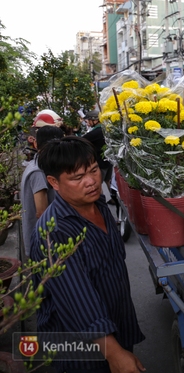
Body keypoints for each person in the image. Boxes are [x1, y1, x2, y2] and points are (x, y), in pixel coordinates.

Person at [30, 137, 145, 373]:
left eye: (93, 171)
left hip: (116, 325)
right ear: (54, 182)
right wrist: (113, 352)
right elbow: (77, 300)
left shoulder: (99, 205)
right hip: (80, 348)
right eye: (77, 178)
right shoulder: (54, 232)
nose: (91, 181)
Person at [19, 126, 64, 259]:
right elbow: (42, 212)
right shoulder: (38, 172)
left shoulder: (36, 165)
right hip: (43, 241)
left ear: (37, 144)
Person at [82, 109, 113, 195]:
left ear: (95, 120)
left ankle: (101, 202)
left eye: (88, 120)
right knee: (108, 181)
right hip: (108, 161)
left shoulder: (96, 132)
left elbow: (81, 140)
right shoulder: (105, 128)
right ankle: (113, 197)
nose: (87, 123)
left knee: (97, 184)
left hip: (100, 162)